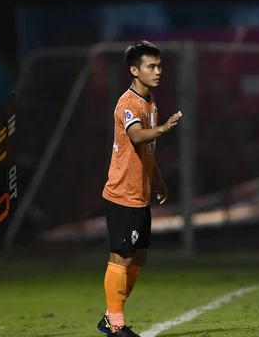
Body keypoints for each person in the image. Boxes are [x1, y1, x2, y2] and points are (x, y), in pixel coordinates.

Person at [97, 41, 182, 337]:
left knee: (139, 257)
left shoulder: (150, 100)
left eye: (159, 66)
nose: (158, 71)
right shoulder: (129, 103)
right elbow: (136, 137)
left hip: (141, 192)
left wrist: (157, 178)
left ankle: (110, 314)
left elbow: (147, 150)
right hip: (122, 193)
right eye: (151, 66)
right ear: (134, 71)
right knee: (120, 257)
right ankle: (115, 322)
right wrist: (163, 128)